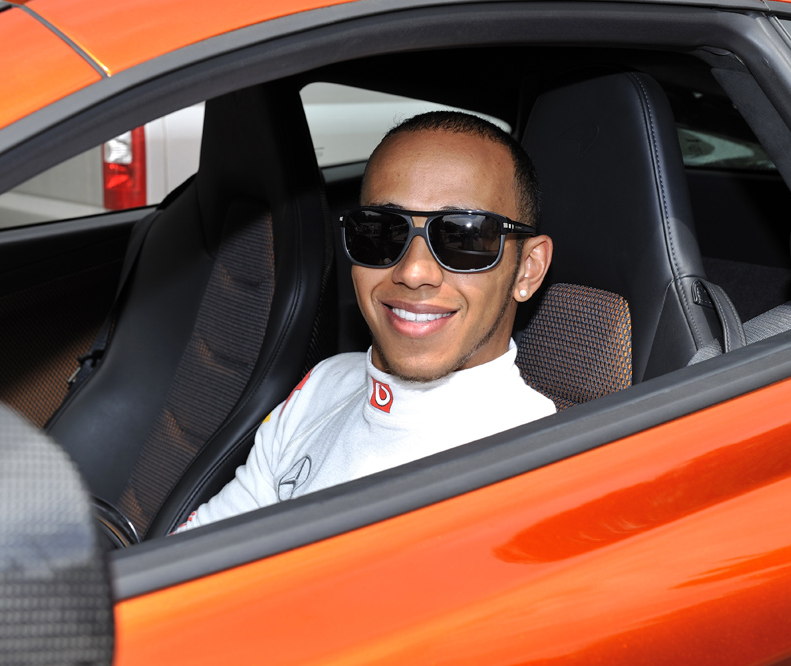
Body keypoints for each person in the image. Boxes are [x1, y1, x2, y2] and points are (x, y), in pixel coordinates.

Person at [173, 111, 554, 532]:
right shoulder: (325, 384)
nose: (413, 272)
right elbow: (199, 545)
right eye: (382, 231)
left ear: (528, 269)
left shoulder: (535, 470)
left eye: (464, 237)